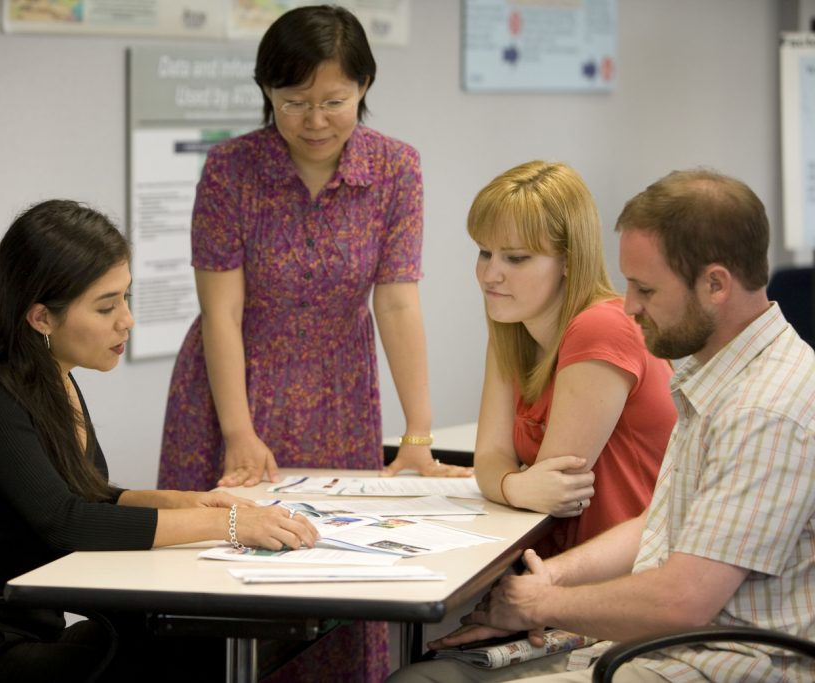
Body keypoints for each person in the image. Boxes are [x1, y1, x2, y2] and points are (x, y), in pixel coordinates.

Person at [388, 168, 815, 683]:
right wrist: (555, 579)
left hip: (714, 661)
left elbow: (681, 600)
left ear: (716, 285)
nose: (629, 305)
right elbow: (660, 522)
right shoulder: (721, 376)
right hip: (665, 643)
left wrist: (541, 603)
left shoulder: (761, 411)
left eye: (645, 289)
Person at [160, 7, 465, 680]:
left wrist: (419, 434)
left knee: (338, 569)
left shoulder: (396, 169)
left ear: (364, 86)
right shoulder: (231, 169)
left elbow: (396, 299)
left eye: (334, 101)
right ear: (267, 93)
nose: (315, 120)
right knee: (222, 569)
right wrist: (237, 430)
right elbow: (222, 310)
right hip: (230, 379)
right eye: (293, 102)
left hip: (339, 389)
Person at [0, 199, 318, 683]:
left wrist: (188, 503)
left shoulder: (51, 376)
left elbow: (86, 494)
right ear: (41, 318)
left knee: (198, 641)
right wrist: (229, 525)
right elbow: (66, 522)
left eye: (126, 297)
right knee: (190, 655)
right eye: (106, 306)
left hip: (31, 627)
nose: (127, 320)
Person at [468, 161, 675, 556]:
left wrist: (509, 483)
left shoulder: (602, 326)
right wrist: (513, 485)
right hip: (560, 570)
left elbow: (555, 490)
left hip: (627, 579)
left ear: (567, 260)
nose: (489, 274)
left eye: (515, 258)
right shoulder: (510, 325)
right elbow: (489, 459)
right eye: (484, 252)